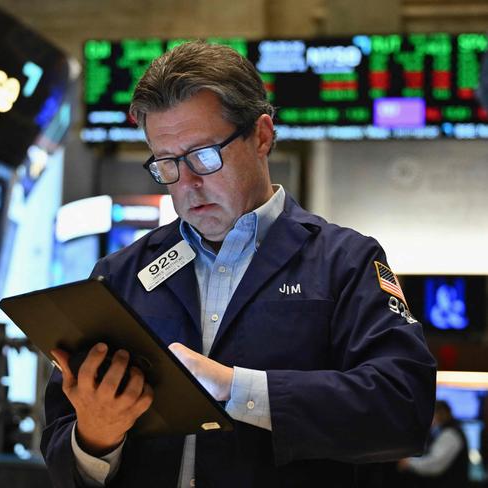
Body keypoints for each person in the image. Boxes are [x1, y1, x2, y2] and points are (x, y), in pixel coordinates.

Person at [42, 40, 437, 487]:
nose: (187, 183)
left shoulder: (346, 262)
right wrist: (96, 437)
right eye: (167, 163)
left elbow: (403, 408)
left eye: (204, 156)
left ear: (262, 136)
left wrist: (235, 388)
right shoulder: (118, 276)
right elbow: (60, 451)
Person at [397, 400, 469, 487]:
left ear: (443, 413)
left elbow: (435, 464)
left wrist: (409, 463)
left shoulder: (450, 434)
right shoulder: (440, 431)